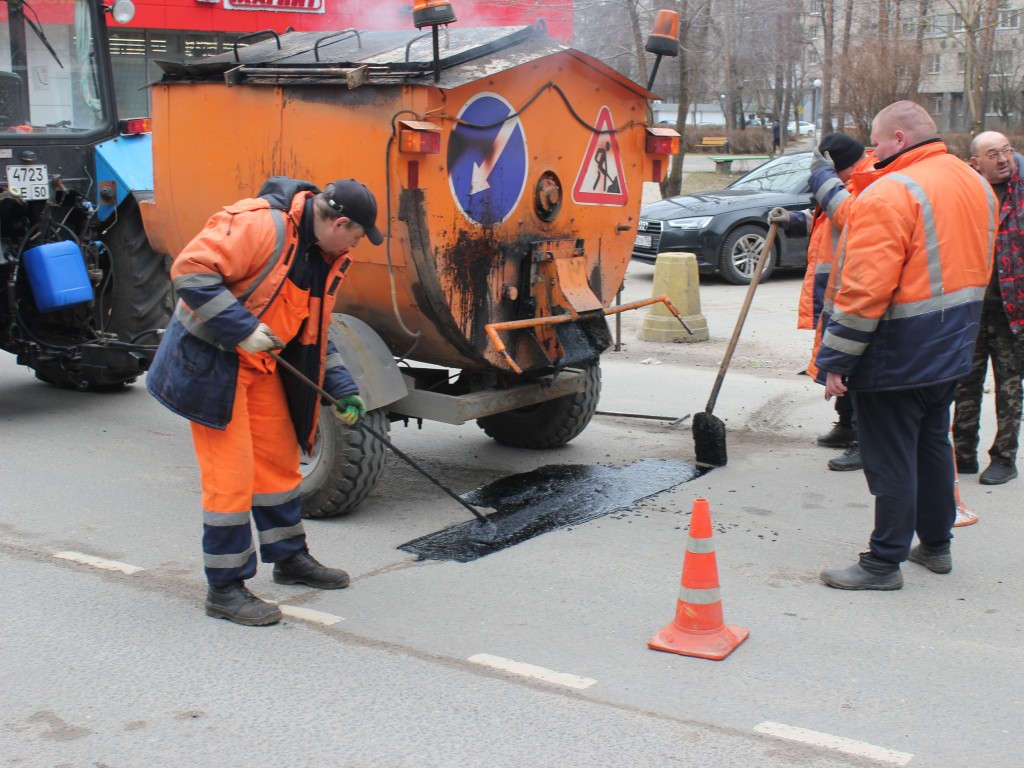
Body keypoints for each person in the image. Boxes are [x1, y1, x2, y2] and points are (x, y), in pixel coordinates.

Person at [147, 177, 384, 625]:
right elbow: (191, 271)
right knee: (230, 478)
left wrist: (343, 389)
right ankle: (226, 588)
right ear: (340, 222)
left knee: (278, 465)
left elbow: (312, 335)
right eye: (356, 236)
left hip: (259, 367)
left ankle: (290, 558)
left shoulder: (324, 257)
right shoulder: (261, 226)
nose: (355, 246)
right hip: (213, 366)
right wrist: (242, 328)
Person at [814, 101, 997, 590]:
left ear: (898, 138)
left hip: (899, 351)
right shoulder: (974, 181)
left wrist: (834, 360)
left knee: (890, 456)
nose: (872, 151)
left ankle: (882, 562)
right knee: (932, 446)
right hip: (953, 344)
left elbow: (863, 291)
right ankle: (935, 545)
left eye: (876, 142)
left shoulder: (891, 193)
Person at [769, 133, 872, 472]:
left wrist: (824, 180)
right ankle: (845, 426)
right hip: (835, 292)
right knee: (835, 361)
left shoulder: (867, 185)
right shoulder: (846, 188)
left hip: (853, 293)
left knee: (853, 369)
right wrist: (793, 220)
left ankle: (863, 439)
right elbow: (826, 220)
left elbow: (847, 217)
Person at [952, 131, 1024, 486]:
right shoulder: (967, 194)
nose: (1003, 159)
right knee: (965, 381)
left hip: (1014, 309)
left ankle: (1004, 458)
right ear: (975, 163)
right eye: (993, 153)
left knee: (1009, 386)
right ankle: (962, 453)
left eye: (1007, 151)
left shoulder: (1021, 193)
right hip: (972, 307)